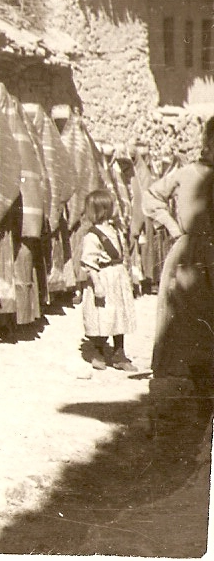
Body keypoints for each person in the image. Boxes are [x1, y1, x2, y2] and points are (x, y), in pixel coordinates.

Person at [143, 116, 214, 394]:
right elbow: (151, 197)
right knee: (187, 316)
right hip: (191, 254)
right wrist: (173, 228)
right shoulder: (185, 174)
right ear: (208, 142)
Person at [78, 189, 137, 372]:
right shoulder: (92, 235)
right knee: (101, 315)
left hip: (118, 279)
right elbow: (89, 262)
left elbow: (123, 255)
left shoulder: (115, 230)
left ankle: (119, 353)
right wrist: (97, 285)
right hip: (103, 278)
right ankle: (98, 352)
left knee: (119, 315)